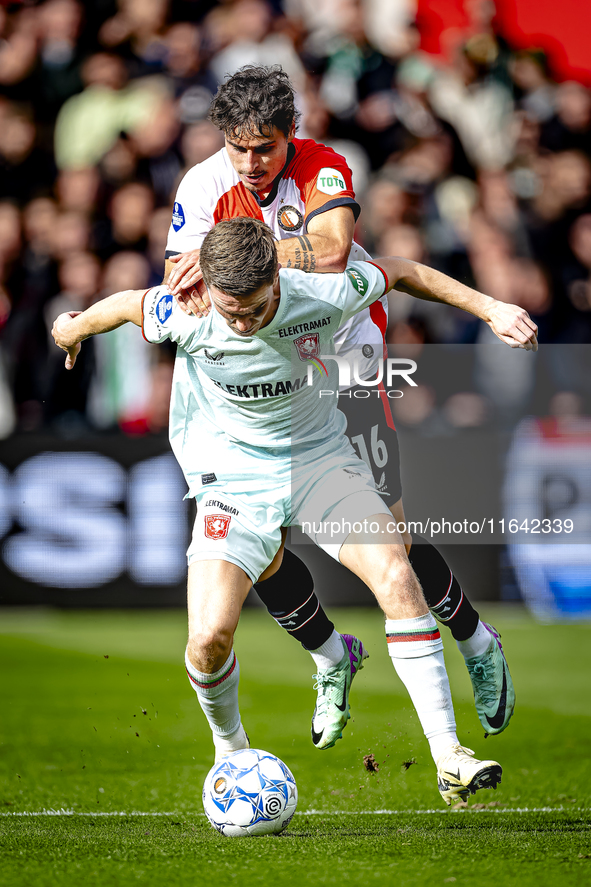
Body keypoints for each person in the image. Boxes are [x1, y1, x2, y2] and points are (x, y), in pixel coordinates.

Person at [52, 217, 538, 805]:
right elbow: (127, 304)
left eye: (253, 310)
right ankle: (232, 753)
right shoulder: (185, 307)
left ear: (277, 281)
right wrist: (73, 327)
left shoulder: (324, 292)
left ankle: (448, 755)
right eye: (230, 311)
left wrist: (491, 309)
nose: (240, 324)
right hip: (232, 476)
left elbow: (404, 272)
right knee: (208, 639)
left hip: (320, 460)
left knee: (395, 575)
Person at [163, 66, 523, 744]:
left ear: (289, 135)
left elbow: (331, 256)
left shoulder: (326, 165)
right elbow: (179, 285)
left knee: (390, 534)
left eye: (264, 147)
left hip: (345, 352)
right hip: (256, 364)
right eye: (237, 147)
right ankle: (331, 654)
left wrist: (239, 257)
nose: (250, 163)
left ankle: (475, 638)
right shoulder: (200, 183)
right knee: (256, 539)